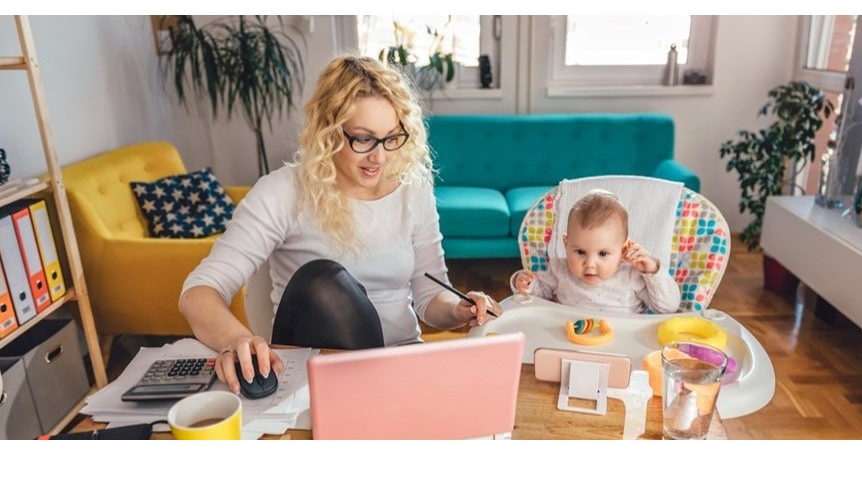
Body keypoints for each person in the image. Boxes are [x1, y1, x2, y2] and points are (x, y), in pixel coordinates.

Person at [179, 55, 501, 395]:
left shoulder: (412, 189)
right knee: (325, 282)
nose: (380, 157)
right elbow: (199, 292)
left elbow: (429, 298)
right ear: (329, 131)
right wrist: (235, 338)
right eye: (363, 139)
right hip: (318, 372)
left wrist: (458, 308)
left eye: (392, 138)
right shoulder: (283, 192)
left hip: (401, 365)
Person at [511, 190, 680, 314]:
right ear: (566, 243)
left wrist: (653, 271)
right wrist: (527, 284)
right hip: (569, 340)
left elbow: (667, 308)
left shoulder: (632, 276)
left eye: (603, 254)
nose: (590, 264)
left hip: (620, 345)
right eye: (580, 252)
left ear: (623, 250)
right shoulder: (559, 269)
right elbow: (538, 296)